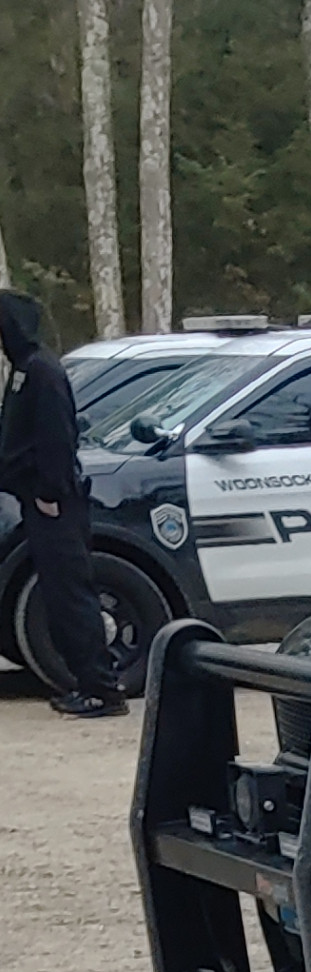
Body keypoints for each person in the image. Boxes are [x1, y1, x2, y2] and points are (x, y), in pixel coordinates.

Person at [0, 290, 124, 717]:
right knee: (58, 597)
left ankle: (102, 690)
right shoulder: (24, 369)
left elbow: (56, 437)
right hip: (35, 498)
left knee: (73, 597)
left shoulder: (43, 371)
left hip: (54, 502)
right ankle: (83, 681)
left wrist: (50, 493)